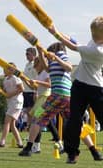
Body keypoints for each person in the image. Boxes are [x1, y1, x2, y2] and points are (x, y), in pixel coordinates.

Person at [47, 16, 103, 164]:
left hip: (96, 88)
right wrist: (56, 30)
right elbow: (73, 41)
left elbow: (73, 47)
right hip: (79, 86)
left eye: (94, 33)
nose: (92, 35)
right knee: (74, 121)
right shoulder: (95, 42)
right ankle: (72, 153)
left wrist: (55, 33)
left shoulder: (97, 50)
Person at [0, 63, 24, 147]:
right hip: (11, 102)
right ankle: (20, 143)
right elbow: (5, 92)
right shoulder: (5, 80)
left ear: (11, 70)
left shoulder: (16, 78)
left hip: (16, 102)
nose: (4, 70)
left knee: (7, 122)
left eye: (6, 68)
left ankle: (2, 142)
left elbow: (21, 89)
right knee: (12, 124)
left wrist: (10, 95)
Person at [22, 47, 37, 128]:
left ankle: (33, 132)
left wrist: (35, 91)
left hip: (33, 91)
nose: (26, 56)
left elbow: (36, 78)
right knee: (28, 113)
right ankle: (30, 132)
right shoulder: (27, 64)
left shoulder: (35, 64)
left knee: (33, 113)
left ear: (34, 55)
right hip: (26, 91)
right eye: (26, 54)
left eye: (28, 54)